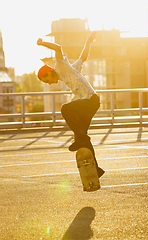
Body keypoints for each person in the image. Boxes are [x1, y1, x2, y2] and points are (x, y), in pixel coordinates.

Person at [37, 31, 105, 178]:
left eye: (46, 80)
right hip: (91, 102)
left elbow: (58, 48)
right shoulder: (71, 69)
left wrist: (42, 44)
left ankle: (80, 137)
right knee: (83, 136)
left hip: (89, 100)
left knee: (65, 109)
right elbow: (83, 58)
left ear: (49, 73)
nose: (49, 83)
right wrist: (88, 42)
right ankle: (96, 168)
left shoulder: (60, 66)